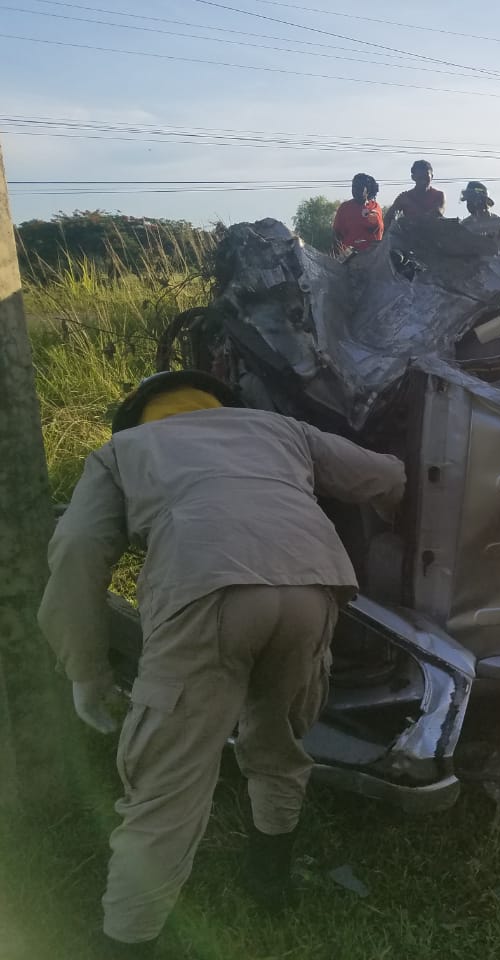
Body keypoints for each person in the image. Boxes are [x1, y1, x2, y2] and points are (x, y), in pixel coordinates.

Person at [39, 370, 405, 957]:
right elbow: (384, 474)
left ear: (141, 416)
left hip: (206, 590)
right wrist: (393, 514)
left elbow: (79, 550)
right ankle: (269, 880)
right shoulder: (278, 428)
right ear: (217, 406)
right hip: (312, 587)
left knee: (167, 782)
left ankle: (126, 943)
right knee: (278, 738)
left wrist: (85, 668)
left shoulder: (122, 451)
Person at [331, 173, 383, 254]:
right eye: (353, 187)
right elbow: (336, 235)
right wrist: (337, 256)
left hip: (374, 257)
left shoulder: (376, 207)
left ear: (367, 190)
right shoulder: (344, 208)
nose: (355, 190)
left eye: (359, 188)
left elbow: (380, 230)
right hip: (350, 257)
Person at [459, 180, 500, 246]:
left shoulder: (496, 221)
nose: (469, 203)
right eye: (468, 199)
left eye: (471, 198)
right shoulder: (464, 225)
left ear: (483, 200)